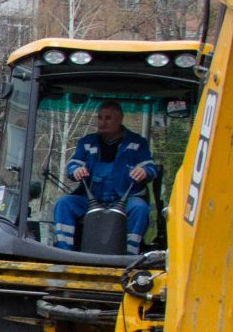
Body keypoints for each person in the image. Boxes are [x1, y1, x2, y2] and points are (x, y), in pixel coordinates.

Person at [53, 100, 158, 254]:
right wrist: (76, 170)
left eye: (108, 118)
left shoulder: (137, 143)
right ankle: (63, 252)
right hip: (91, 200)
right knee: (64, 203)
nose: (102, 122)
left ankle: (129, 255)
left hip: (124, 200)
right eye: (100, 118)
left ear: (120, 119)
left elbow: (150, 168)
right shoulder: (87, 142)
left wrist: (144, 171)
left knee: (140, 208)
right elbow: (72, 166)